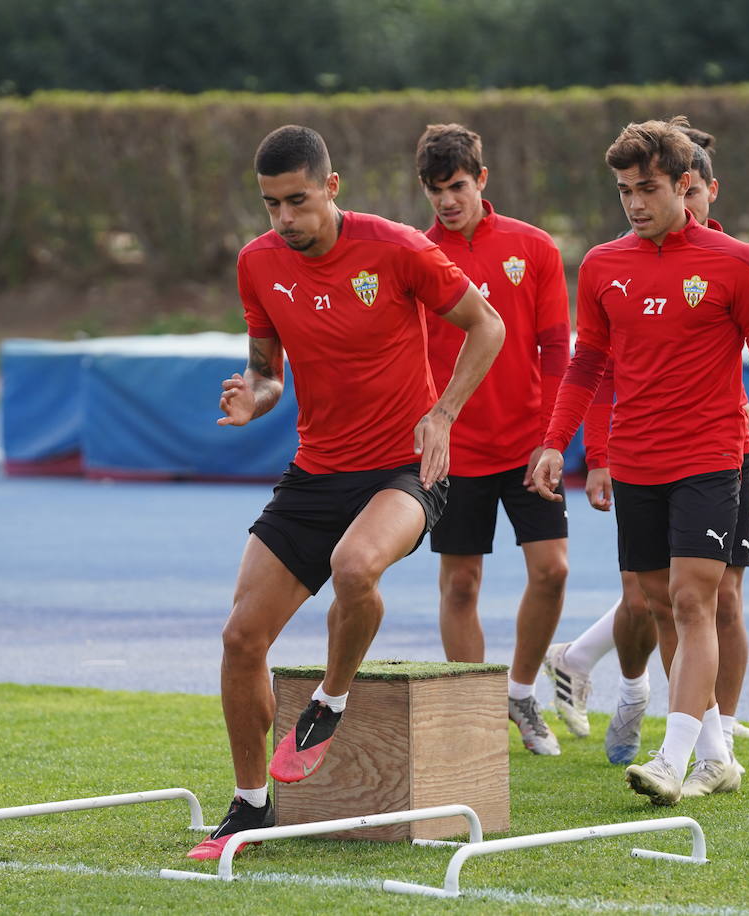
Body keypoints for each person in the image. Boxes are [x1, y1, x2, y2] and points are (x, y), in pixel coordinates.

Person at [190, 125, 504, 859]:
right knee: (240, 640)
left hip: (404, 467)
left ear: (332, 188)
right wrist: (255, 398)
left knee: (355, 567)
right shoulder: (257, 264)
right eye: (270, 205)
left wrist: (444, 413)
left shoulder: (397, 248)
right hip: (316, 471)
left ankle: (330, 699)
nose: (283, 220)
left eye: (297, 201)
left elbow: (485, 325)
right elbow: (267, 368)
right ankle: (250, 805)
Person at [531, 117, 749, 807]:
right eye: (624, 190)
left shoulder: (741, 264)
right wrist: (555, 444)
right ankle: (716, 754)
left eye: (647, 188)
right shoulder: (601, 265)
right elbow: (587, 362)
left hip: (711, 457)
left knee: (694, 601)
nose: (634, 203)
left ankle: (673, 760)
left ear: (688, 186)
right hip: (636, 462)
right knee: (655, 605)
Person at [415, 123, 572, 755]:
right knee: (461, 585)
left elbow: (559, 349)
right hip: (455, 450)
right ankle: (477, 721)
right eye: (433, 190)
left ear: (481, 179)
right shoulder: (415, 254)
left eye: (456, 187)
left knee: (554, 571)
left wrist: (553, 438)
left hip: (528, 444)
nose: (446, 202)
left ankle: (519, 690)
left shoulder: (533, 248)